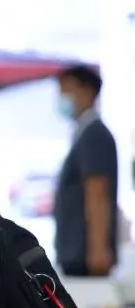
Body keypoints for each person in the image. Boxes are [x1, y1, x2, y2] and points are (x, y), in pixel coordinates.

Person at [53, 64, 118, 276]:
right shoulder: (83, 134)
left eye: (66, 90)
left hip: (86, 258)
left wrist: (98, 249)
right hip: (76, 255)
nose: (62, 97)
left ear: (87, 91)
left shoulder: (94, 135)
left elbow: (97, 191)